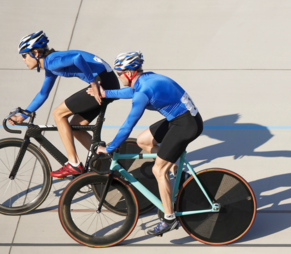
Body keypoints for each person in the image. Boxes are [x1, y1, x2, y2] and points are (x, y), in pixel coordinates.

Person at [91, 52, 203, 237]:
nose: (118, 77)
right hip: (180, 119)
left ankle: (169, 218)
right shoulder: (144, 80)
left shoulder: (144, 90)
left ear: (128, 73)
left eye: (119, 74)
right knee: (143, 141)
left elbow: (127, 126)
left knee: (158, 170)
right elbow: (131, 91)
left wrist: (109, 148)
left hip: (186, 124)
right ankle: (177, 170)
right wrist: (105, 93)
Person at [8, 31, 120, 177]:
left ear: (35, 52)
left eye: (24, 55)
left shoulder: (52, 61)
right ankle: (108, 163)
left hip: (102, 83)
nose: (23, 59)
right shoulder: (50, 65)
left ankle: (73, 163)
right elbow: (43, 94)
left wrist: (92, 83)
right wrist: (22, 116)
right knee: (76, 127)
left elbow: (77, 58)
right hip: (107, 82)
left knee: (58, 113)